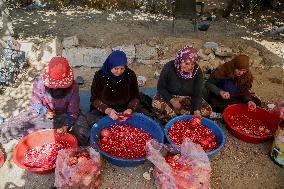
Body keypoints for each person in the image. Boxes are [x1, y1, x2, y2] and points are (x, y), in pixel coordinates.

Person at [31, 56, 89, 145]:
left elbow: (73, 110)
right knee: (31, 129)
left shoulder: (73, 86)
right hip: (47, 115)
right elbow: (35, 102)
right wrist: (45, 111)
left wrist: (66, 125)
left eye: (60, 86)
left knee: (82, 131)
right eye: (53, 85)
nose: (56, 87)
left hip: (66, 114)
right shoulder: (39, 83)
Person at [152, 46, 212, 123]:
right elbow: (160, 87)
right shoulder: (169, 67)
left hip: (187, 98)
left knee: (207, 110)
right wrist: (172, 100)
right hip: (169, 96)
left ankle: (180, 117)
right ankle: (183, 117)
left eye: (192, 63)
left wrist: (196, 110)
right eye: (186, 63)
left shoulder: (197, 71)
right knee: (157, 104)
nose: (189, 67)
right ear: (180, 61)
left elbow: (197, 93)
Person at [88, 50, 140, 123]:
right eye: (116, 68)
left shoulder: (130, 75)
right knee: (93, 123)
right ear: (110, 65)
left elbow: (135, 97)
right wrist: (108, 110)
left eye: (122, 68)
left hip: (125, 108)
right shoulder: (99, 76)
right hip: (104, 109)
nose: (119, 72)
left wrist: (130, 109)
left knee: (138, 121)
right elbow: (94, 99)